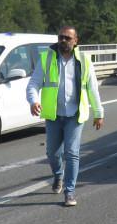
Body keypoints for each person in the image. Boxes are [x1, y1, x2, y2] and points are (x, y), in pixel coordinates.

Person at [27, 26, 104, 207]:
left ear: (76, 40)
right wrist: (33, 101)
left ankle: (70, 192)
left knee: (72, 153)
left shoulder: (84, 60)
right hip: (54, 115)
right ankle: (58, 176)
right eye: (61, 37)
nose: (64, 41)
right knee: (52, 154)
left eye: (68, 38)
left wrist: (98, 113)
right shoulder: (47, 58)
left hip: (75, 115)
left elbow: (92, 89)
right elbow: (34, 83)